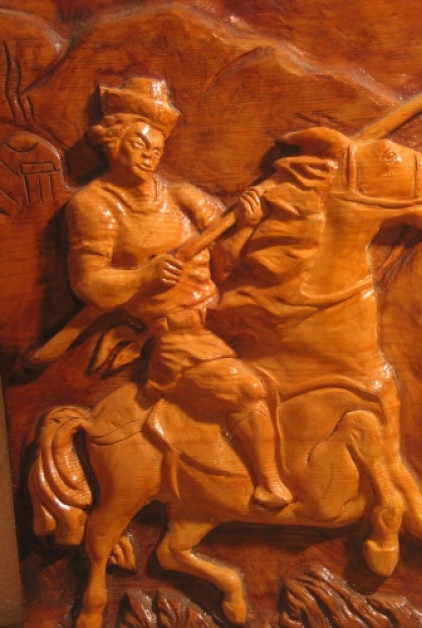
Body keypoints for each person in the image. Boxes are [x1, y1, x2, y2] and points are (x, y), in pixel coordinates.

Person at [66, 77, 292, 508]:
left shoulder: (185, 198)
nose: (150, 155)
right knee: (247, 390)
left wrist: (246, 225)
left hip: (224, 316)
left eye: (156, 148)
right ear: (112, 142)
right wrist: (142, 277)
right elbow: (90, 284)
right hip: (179, 337)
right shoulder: (95, 206)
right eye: (139, 144)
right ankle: (268, 485)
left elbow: (229, 257)